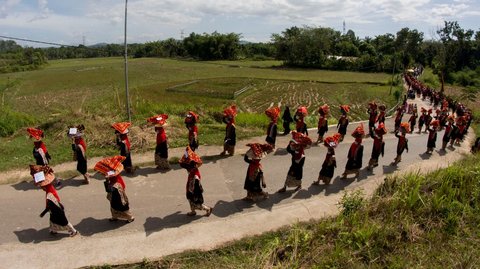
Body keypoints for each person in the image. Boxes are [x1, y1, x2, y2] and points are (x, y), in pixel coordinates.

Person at [31, 165, 78, 237]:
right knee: (53, 220)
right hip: (54, 208)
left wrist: (43, 213)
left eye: (41, 186)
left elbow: (51, 204)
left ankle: (73, 231)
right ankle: (53, 230)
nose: (41, 188)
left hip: (56, 209)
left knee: (63, 221)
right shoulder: (50, 188)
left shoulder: (49, 193)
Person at [94, 156, 135, 223]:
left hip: (117, 191)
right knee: (113, 205)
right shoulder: (113, 172)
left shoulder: (112, 175)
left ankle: (130, 217)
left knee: (121, 205)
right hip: (115, 190)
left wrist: (107, 180)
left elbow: (110, 187)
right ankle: (115, 217)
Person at [179, 146, 213, 216]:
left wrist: (195, 195)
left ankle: (207, 208)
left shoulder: (195, 175)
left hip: (194, 192)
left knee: (196, 203)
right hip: (190, 189)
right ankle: (193, 211)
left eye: (187, 167)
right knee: (189, 200)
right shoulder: (192, 170)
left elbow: (196, 187)